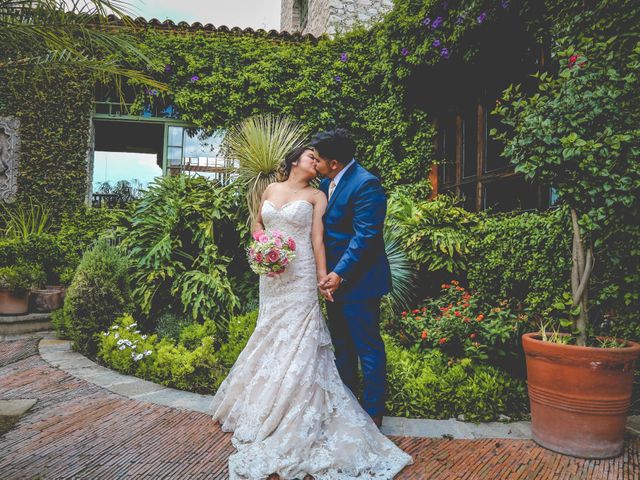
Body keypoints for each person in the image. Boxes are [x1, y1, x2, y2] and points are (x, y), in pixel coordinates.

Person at [210, 145, 412, 480]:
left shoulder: (318, 195)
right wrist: (263, 246)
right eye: (310, 157)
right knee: (271, 332)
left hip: (301, 272)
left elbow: (319, 240)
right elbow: (257, 222)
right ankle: (265, 402)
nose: (315, 162)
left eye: (318, 158)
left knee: (304, 337)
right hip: (273, 276)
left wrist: (323, 278)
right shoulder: (271, 189)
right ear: (293, 162)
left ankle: (326, 407)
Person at [313, 129, 391, 429]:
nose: (315, 163)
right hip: (335, 285)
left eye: (318, 159)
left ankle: (373, 414)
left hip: (359, 284)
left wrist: (339, 273)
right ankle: (348, 406)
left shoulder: (366, 184)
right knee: (342, 347)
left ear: (333, 163)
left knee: (367, 347)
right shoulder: (326, 182)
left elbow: (366, 237)